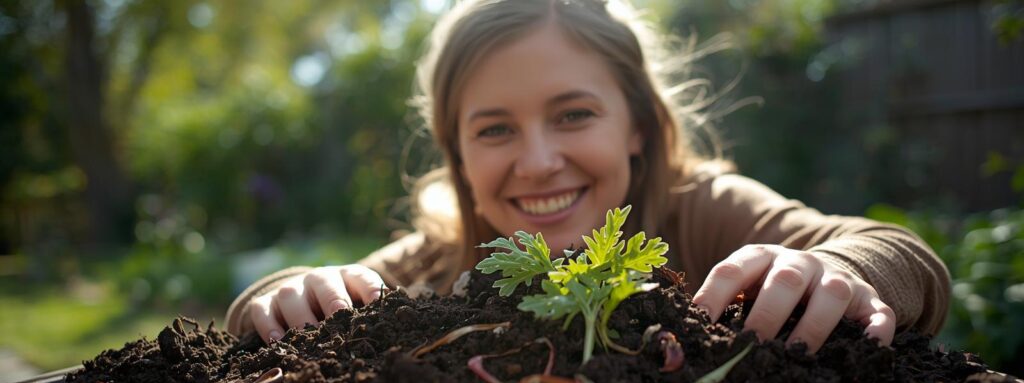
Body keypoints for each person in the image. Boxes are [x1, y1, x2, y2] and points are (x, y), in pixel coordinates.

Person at [225, 0, 950, 355]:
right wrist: (286, 293)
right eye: (495, 129)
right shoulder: (441, 257)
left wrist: (841, 268)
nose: (539, 161)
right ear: (458, 155)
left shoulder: (702, 210)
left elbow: (901, 253)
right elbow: (283, 301)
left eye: (573, 115)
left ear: (637, 125)